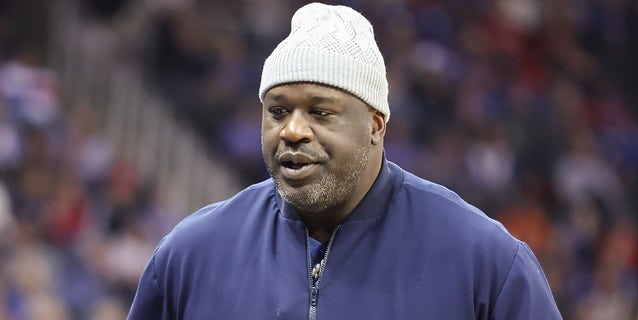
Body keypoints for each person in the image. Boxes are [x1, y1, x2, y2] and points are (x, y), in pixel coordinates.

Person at [128, 2, 562, 319]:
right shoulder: (192, 254)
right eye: (278, 111)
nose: (293, 130)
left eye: (320, 112)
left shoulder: (484, 262)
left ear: (376, 125)